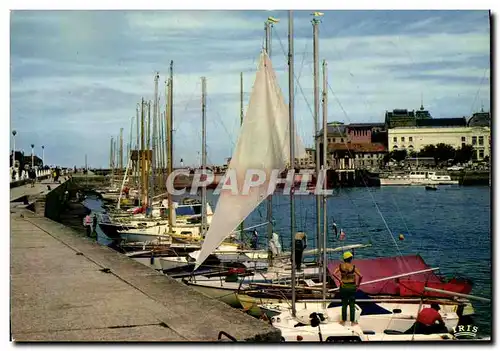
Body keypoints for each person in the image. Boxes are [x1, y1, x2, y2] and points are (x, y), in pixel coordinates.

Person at [333, 251, 363, 326]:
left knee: (344, 304)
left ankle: (343, 320)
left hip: (343, 286)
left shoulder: (340, 266)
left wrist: (339, 280)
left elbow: (334, 273)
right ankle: (353, 322)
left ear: (344, 259)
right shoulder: (353, 267)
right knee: (352, 304)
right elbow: (361, 276)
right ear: (350, 259)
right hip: (352, 286)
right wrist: (358, 285)